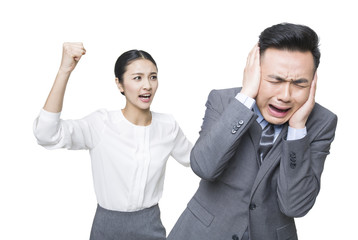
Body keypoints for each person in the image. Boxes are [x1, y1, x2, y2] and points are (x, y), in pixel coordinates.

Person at [167, 23, 337, 240]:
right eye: (275, 80)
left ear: (313, 82)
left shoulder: (322, 122)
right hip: (202, 232)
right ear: (254, 72)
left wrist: (297, 130)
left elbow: (295, 206)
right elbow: (204, 167)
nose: (285, 95)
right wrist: (246, 96)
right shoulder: (224, 101)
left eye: (299, 84)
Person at [33, 43, 193, 240]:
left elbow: (200, 162)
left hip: (151, 228)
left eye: (153, 77)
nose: (147, 85)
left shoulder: (168, 126)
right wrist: (64, 70)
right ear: (119, 84)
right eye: (137, 78)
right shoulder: (101, 124)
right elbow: (47, 134)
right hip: (106, 229)